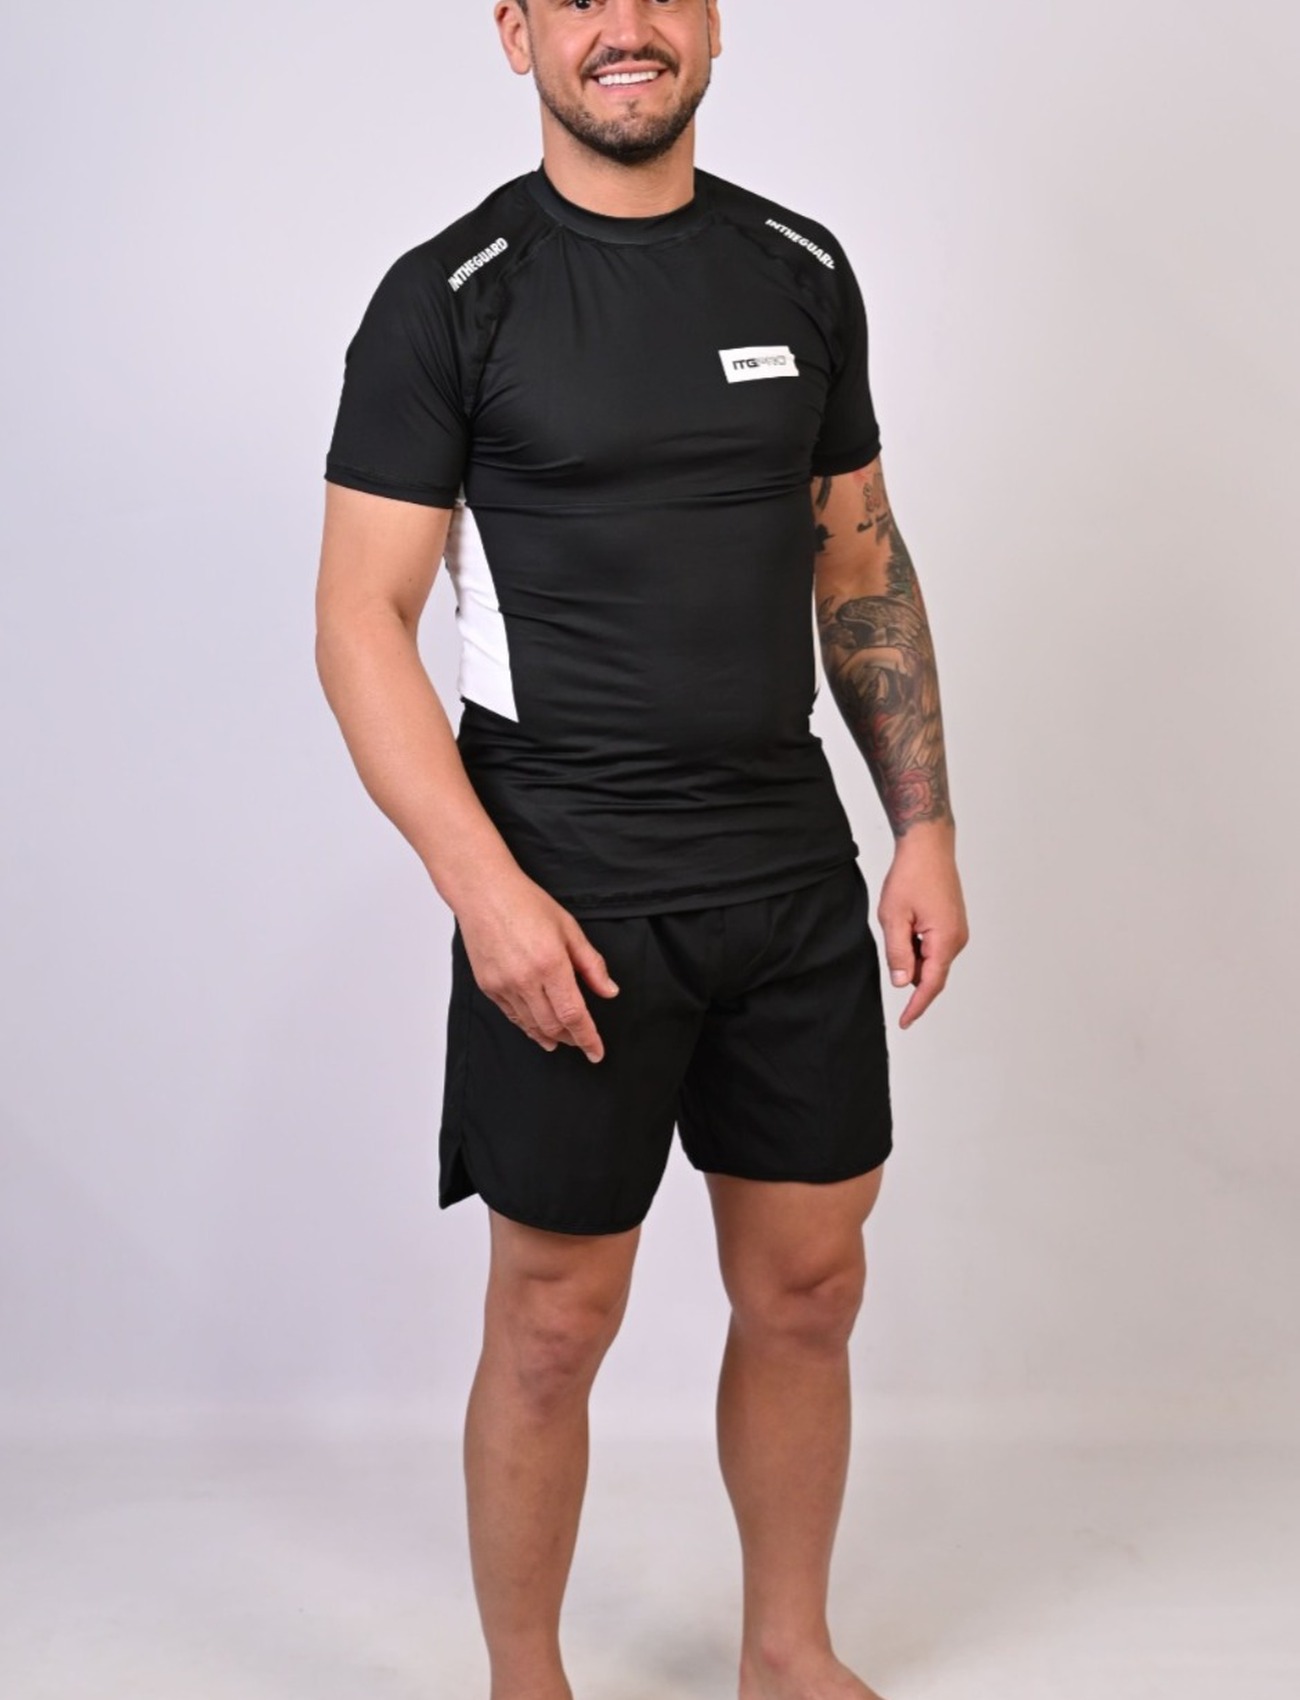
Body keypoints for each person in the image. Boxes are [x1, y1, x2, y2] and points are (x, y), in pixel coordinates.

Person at [315, 2, 969, 1695]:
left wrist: (923, 825)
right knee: (553, 1320)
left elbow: (860, 562)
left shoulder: (798, 270)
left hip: (784, 874)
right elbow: (361, 622)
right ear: (518, 32)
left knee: (812, 1286)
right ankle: (524, 1679)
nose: (627, 27)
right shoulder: (450, 296)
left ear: (712, 26)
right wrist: (487, 895)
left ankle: (786, 1652)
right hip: (565, 879)